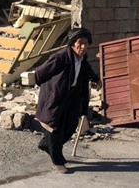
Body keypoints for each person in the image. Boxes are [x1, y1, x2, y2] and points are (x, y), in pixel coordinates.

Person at [34, 27, 101, 173]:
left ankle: (47, 145)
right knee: (54, 129)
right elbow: (39, 73)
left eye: (86, 43)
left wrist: (95, 78)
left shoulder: (82, 59)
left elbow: (87, 70)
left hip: (72, 98)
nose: (83, 47)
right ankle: (57, 161)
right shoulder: (61, 57)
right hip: (56, 98)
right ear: (72, 43)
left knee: (70, 126)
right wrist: (50, 89)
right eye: (80, 43)